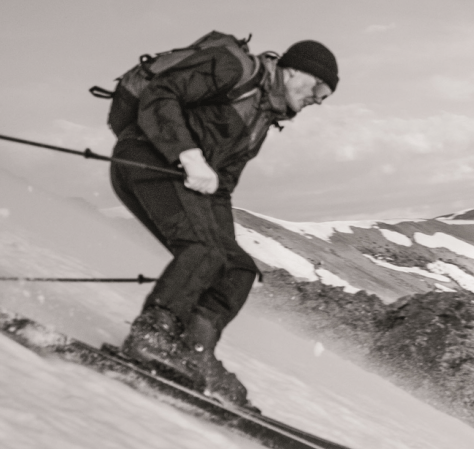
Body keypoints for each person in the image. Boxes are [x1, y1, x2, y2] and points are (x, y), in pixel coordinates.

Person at [110, 38, 337, 408]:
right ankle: (151, 337)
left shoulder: (262, 118)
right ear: (295, 70)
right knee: (205, 250)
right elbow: (161, 94)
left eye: (326, 95)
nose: (320, 99)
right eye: (320, 87)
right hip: (146, 158)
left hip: (181, 178)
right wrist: (188, 155)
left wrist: (226, 249)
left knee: (236, 268)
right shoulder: (235, 69)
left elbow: (222, 186)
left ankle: (194, 350)